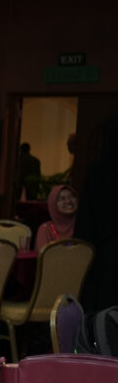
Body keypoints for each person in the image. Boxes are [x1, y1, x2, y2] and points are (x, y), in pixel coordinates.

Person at [76, 118, 118, 311]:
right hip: (107, 246)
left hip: (99, 249)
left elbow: (86, 216)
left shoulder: (96, 171)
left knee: (101, 302)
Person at [36, 184, 77, 250]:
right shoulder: (46, 229)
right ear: (53, 204)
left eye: (72, 196)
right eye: (61, 199)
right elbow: (45, 255)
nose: (68, 201)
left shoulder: (85, 224)